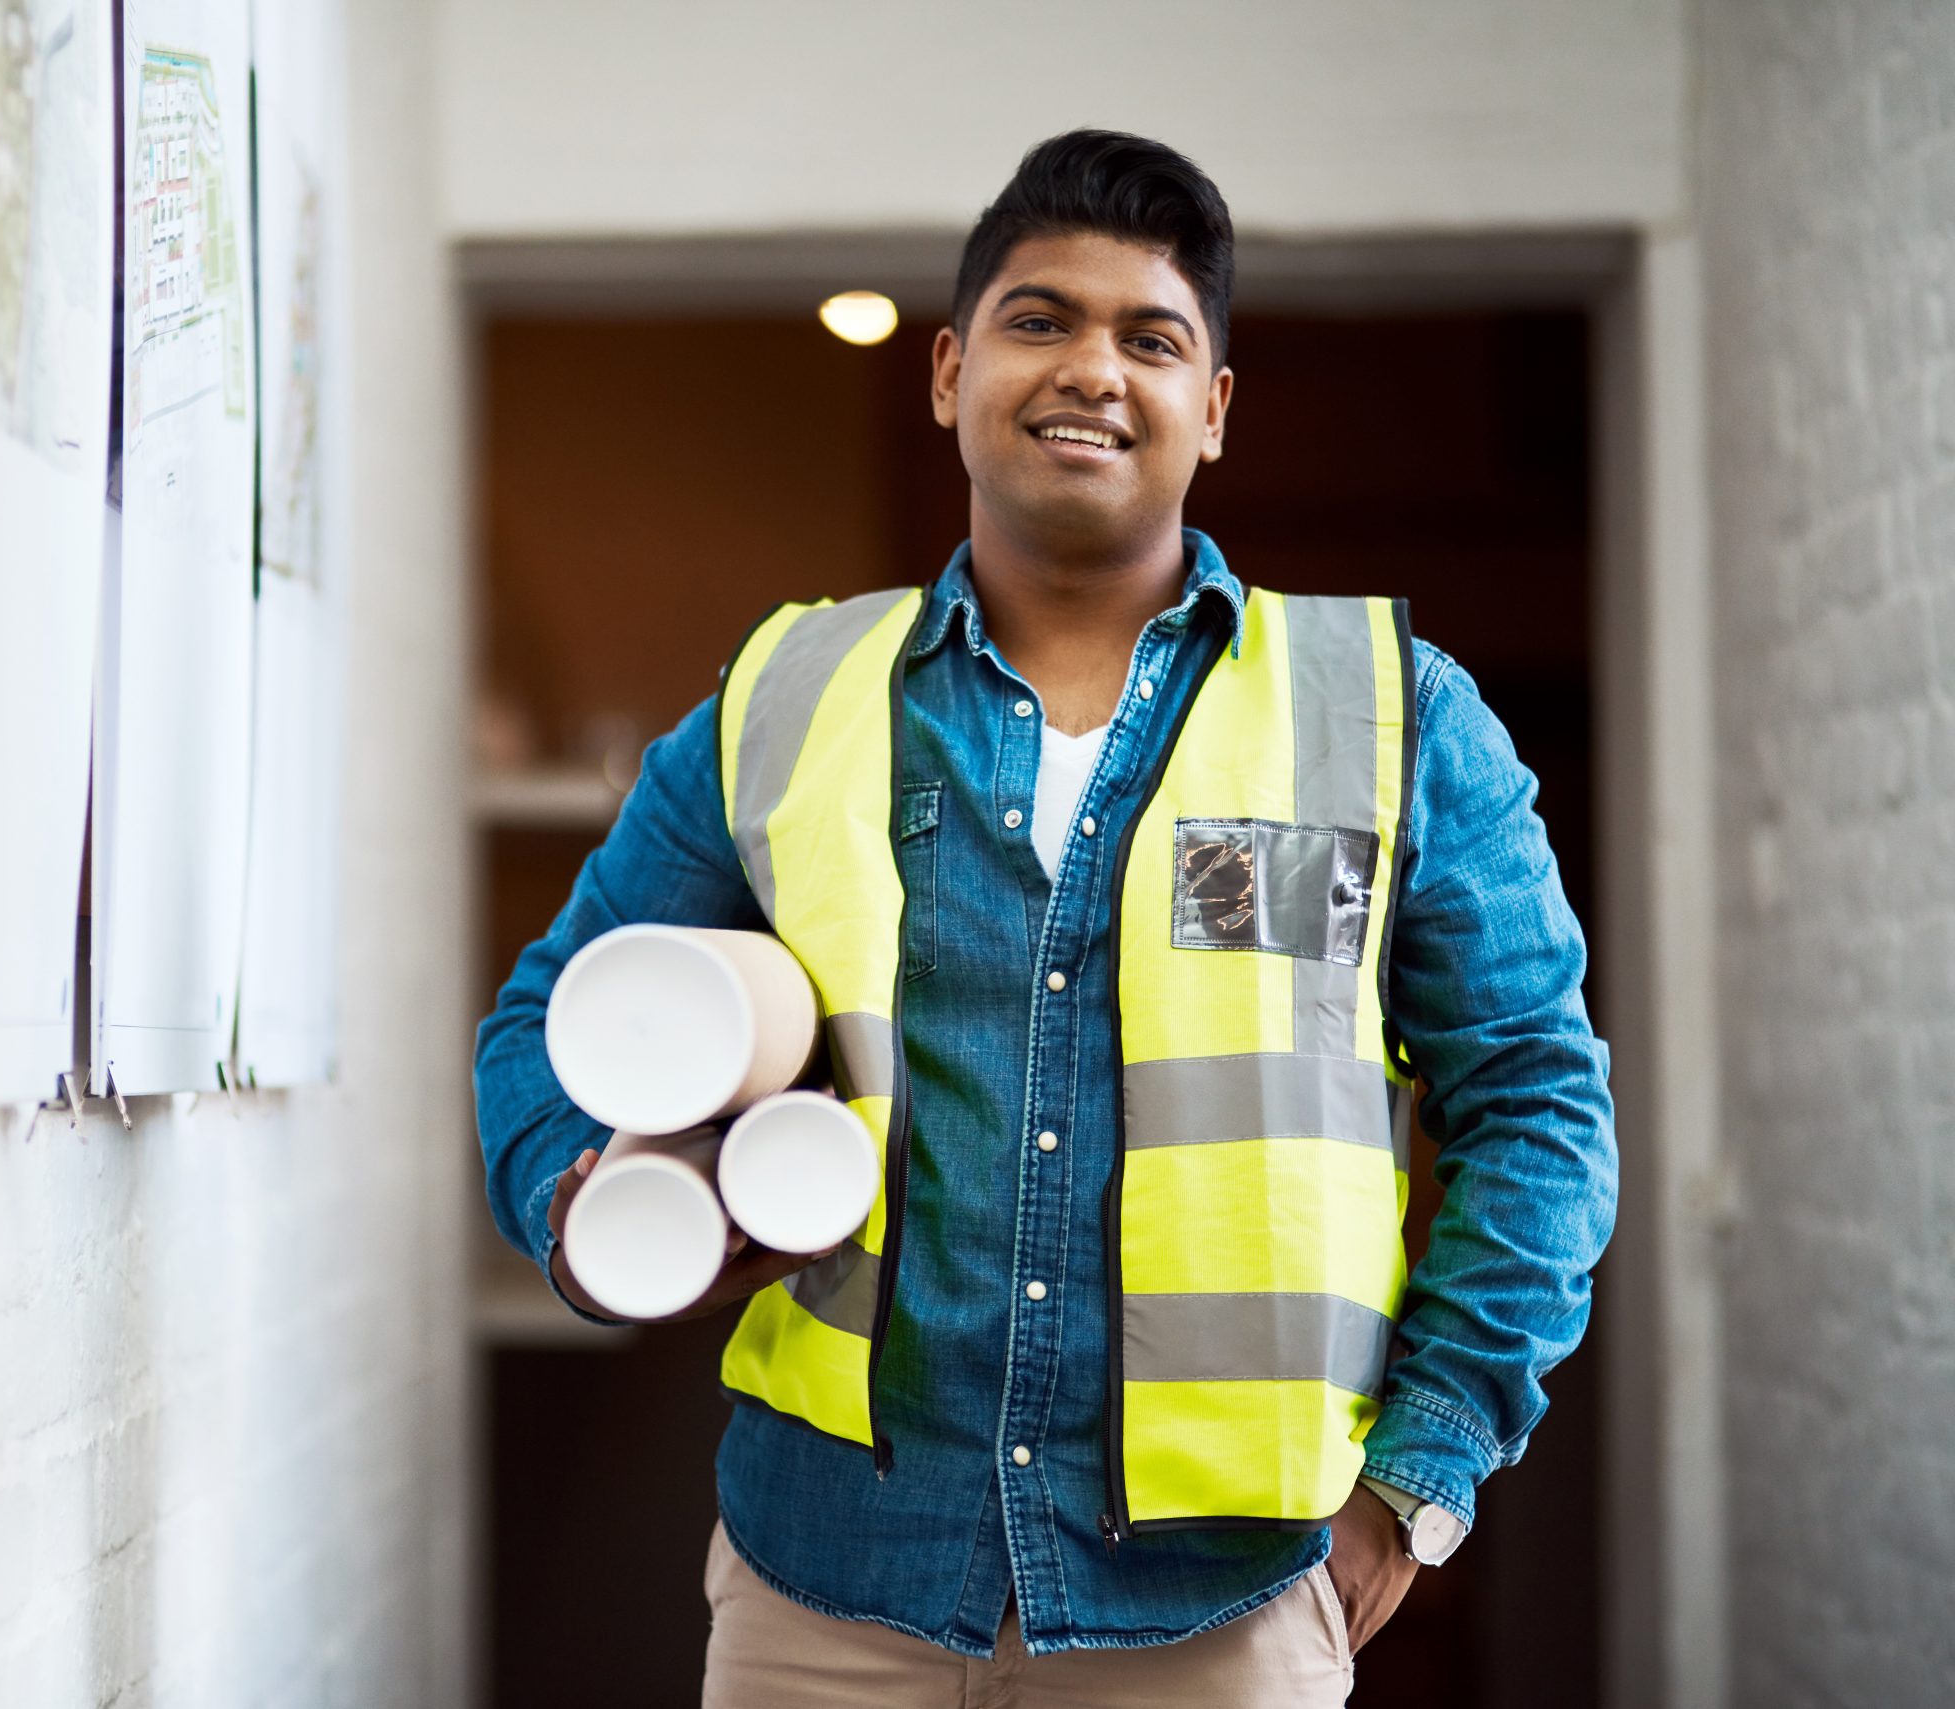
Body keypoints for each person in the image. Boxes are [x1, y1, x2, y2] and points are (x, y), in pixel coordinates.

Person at [472, 128, 1616, 1708]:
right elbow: (544, 1022)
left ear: (1212, 409)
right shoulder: (787, 695)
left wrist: (1417, 1476)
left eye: (1152, 336)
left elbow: (1540, 1103)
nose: (1093, 368)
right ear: (947, 372)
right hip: (829, 1596)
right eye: (1038, 320)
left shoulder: (1388, 715)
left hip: (1212, 1609)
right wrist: (581, 1218)